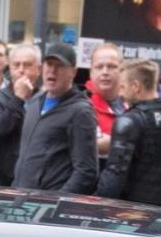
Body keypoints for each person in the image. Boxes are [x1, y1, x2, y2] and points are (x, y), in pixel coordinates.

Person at [95, 59, 161, 207]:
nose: (120, 93)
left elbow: (113, 178)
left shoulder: (130, 121)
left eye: (122, 87)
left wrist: (93, 203)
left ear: (136, 86)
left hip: (129, 213)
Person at [12, 43, 98, 193]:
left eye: (60, 65)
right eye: (49, 64)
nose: (52, 70)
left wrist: (57, 202)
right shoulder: (34, 101)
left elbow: (86, 171)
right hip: (21, 197)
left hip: (48, 205)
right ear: (41, 67)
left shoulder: (80, 112)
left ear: (73, 72)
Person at [0, 44, 41, 187]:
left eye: (27, 65)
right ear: (10, 68)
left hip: (40, 175)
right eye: (16, 65)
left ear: (38, 70)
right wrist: (18, 99)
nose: (21, 70)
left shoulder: (45, 98)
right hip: (9, 175)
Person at [86, 42, 126, 161]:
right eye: (99, 67)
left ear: (122, 71)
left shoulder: (136, 104)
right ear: (91, 72)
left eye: (111, 66)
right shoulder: (80, 104)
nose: (105, 72)